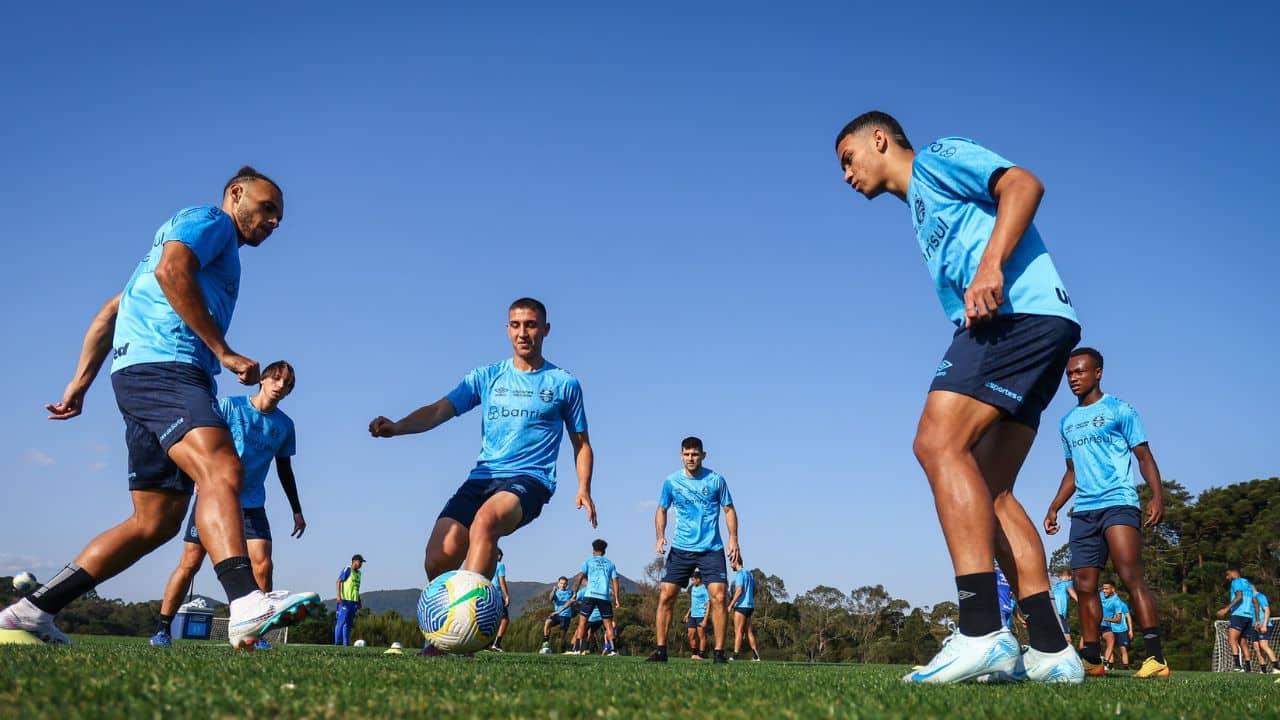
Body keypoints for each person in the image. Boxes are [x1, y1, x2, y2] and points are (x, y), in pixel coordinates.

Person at [0, 167, 318, 649]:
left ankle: (31, 609)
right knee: (222, 465)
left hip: (138, 375)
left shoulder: (173, 251)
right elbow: (173, 272)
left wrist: (80, 384)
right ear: (235, 195)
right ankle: (247, 601)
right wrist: (223, 351)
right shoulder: (210, 221)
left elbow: (113, 309)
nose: (274, 222)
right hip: (170, 367)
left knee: (156, 522)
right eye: (267, 208)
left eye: (279, 216)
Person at [836, 112, 1082, 684]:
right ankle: (1051, 650)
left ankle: (979, 629)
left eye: (848, 158)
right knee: (990, 491)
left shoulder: (939, 157)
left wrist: (991, 264)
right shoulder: (918, 207)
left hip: (1014, 316)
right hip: (1041, 325)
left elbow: (1023, 183)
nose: (846, 174)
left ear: (879, 139)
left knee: (936, 442)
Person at [368, 297, 596, 656]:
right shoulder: (487, 376)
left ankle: (459, 636)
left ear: (546, 330)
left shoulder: (563, 383)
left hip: (530, 479)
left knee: (485, 522)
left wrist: (584, 488)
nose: (524, 332)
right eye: (517, 325)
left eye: (532, 325)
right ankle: (478, 563)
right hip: (482, 478)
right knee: (437, 557)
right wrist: (397, 427)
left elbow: (581, 443)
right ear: (507, 330)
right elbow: (439, 410)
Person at [151, 361, 305, 650]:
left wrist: (296, 510)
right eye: (276, 379)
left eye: (287, 384)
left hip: (252, 503)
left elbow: (285, 469)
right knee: (190, 563)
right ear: (262, 379)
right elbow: (199, 442)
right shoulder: (230, 407)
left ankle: (255, 631)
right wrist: (197, 474)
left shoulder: (285, 426)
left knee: (263, 562)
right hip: (216, 497)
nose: (280, 386)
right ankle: (162, 628)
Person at [1045, 346, 1169, 678]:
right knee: (1085, 586)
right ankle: (1092, 659)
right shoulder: (1067, 422)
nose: (1073, 378)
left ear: (1097, 372)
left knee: (1130, 577)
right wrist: (1055, 506)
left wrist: (1157, 496)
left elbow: (1144, 457)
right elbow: (1071, 473)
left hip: (1118, 503)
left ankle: (1155, 659)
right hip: (1083, 511)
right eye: (1069, 373)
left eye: (1080, 372)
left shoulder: (1120, 410)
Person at [647, 437, 738, 664]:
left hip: (711, 548)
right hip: (680, 548)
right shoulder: (671, 482)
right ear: (681, 455)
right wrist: (660, 536)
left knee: (718, 597)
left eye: (695, 454)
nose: (690, 458)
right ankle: (661, 651)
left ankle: (718, 653)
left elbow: (729, 510)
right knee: (667, 596)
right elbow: (661, 509)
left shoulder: (716, 480)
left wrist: (733, 539)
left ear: (703, 455)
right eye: (686, 454)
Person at [569, 539, 621, 656]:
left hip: (590, 595)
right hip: (604, 596)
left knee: (582, 622)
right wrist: (617, 599)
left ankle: (577, 649)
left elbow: (580, 577)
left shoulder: (588, 562)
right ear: (604, 552)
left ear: (593, 551)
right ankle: (613, 650)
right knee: (608, 624)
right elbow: (615, 581)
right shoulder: (610, 564)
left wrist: (574, 593)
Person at [1217, 568, 1258, 672]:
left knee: (1231, 640)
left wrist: (1226, 609)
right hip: (1249, 616)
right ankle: (1248, 668)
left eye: (1227, 575)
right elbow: (1255, 601)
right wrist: (1256, 619)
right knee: (1243, 642)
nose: (1227, 578)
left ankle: (1237, 666)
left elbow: (1239, 596)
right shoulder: (1248, 583)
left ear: (1232, 573)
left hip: (1239, 614)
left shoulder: (1236, 582)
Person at [728, 556, 760, 662]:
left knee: (738, 631)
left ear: (736, 561)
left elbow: (739, 590)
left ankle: (735, 655)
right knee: (749, 631)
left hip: (741, 606)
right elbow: (756, 590)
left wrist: (731, 605)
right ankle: (756, 656)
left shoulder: (740, 574)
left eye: (731, 562)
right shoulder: (750, 574)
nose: (730, 565)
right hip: (750, 606)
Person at [1100, 583, 1132, 669]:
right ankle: (1109, 666)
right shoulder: (1101, 595)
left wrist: (1130, 630)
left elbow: (1127, 617)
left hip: (1121, 629)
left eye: (1106, 589)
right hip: (1110, 628)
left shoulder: (1120, 603)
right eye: (1104, 589)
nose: (1104, 591)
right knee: (1110, 646)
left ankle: (1126, 667)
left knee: (1123, 649)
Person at [335, 555, 364, 647]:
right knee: (341, 622)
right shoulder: (347, 569)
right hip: (345, 600)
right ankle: (337, 643)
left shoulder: (359, 574)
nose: (361, 564)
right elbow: (338, 581)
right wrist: (339, 596)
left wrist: (359, 601)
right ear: (354, 561)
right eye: (360, 562)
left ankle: (346, 645)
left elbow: (356, 588)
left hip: (354, 602)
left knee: (348, 624)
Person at [541, 576, 576, 653]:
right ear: (558, 584)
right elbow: (550, 599)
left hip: (566, 615)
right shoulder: (555, 592)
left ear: (567, 584)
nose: (563, 585)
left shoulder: (570, 592)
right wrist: (553, 591)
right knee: (547, 622)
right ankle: (545, 643)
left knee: (562, 635)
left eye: (565, 584)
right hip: (556, 614)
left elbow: (572, 601)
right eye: (561, 583)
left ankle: (563, 650)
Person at [683, 571, 709, 659]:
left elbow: (709, 604)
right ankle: (694, 653)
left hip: (701, 615)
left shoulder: (705, 589)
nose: (692, 582)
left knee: (701, 635)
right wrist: (687, 614)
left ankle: (701, 655)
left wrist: (705, 618)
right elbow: (693, 602)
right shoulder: (693, 588)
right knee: (690, 635)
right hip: (692, 615)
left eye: (693, 580)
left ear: (698, 579)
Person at [1251, 590, 1278, 674]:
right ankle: (1263, 670)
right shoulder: (1249, 598)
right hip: (1253, 625)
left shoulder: (1260, 596)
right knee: (1257, 648)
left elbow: (1267, 610)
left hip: (1263, 624)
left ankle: (1277, 668)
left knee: (1264, 645)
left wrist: (1264, 625)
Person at [490, 548, 510, 651]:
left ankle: (485, 644)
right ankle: (496, 643)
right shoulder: (500, 565)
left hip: (486, 593)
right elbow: (501, 581)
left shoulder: (485, 564)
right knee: (505, 619)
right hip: (496, 594)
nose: (501, 557)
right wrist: (506, 595)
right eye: (500, 555)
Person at [1050, 569, 1077, 644]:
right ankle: (1068, 649)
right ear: (1069, 577)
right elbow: (1071, 592)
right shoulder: (1068, 583)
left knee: (1058, 633)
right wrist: (1080, 601)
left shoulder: (1055, 586)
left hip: (1051, 611)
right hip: (1059, 612)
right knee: (1066, 635)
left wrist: (1067, 612)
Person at [995, 562, 1016, 629]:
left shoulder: (995, 573)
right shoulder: (1010, 574)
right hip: (1006, 608)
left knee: (1002, 632)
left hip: (1000, 609)